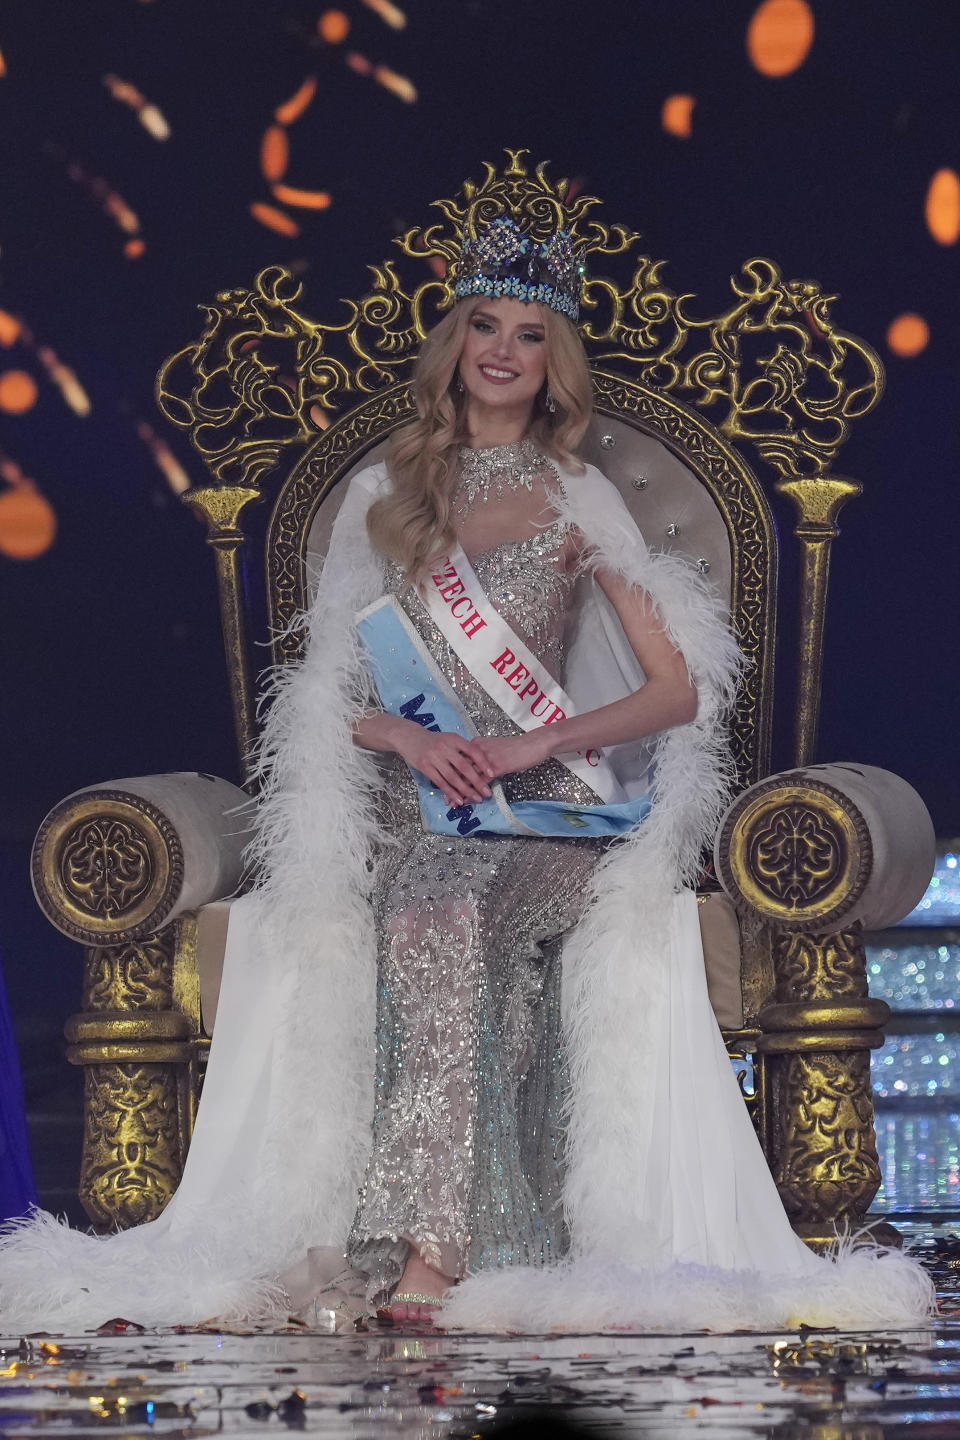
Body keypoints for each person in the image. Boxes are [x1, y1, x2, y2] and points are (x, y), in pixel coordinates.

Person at [0, 218, 935, 1334]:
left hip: (547, 811)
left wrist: (535, 742)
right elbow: (331, 696)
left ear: (553, 363)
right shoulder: (381, 498)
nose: (501, 349)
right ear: (453, 344)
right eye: (484, 325)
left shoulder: (576, 493)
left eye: (528, 334)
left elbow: (678, 690)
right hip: (410, 809)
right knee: (433, 904)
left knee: (448, 909)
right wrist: (411, 742)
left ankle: (433, 1252)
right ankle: (485, 1235)